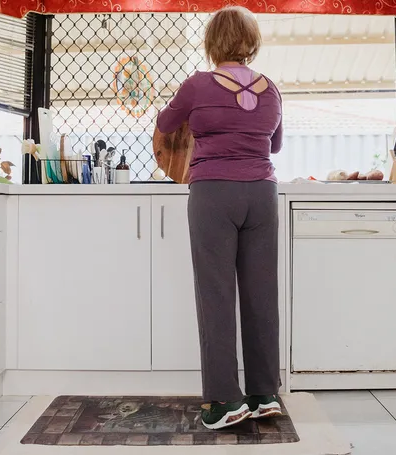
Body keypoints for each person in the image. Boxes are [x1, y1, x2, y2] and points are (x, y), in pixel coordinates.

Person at [156, 6, 283, 430]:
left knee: (216, 296)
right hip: (262, 195)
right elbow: (275, 144)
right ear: (252, 43)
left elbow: (165, 121)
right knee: (261, 295)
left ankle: (225, 402)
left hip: (213, 193)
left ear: (212, 43)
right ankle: (265, 394)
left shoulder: (197, 85)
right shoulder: (273, 91)